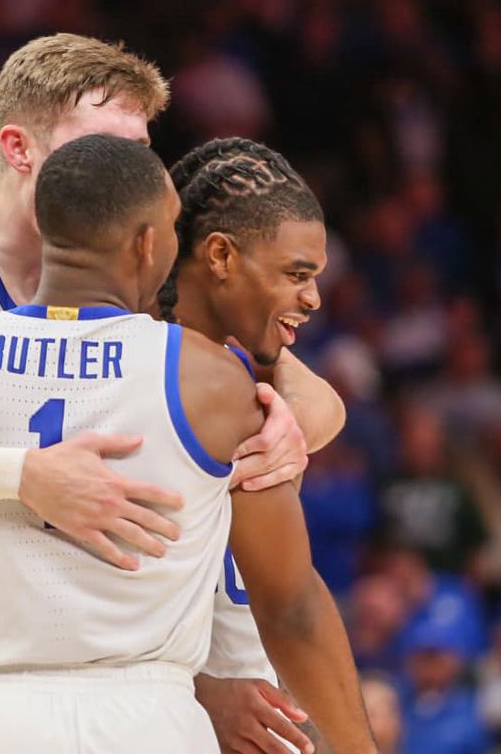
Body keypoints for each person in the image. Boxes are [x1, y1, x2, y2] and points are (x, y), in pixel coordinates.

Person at [0, 34, 340, 753]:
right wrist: (21, 475)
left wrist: (283, 424)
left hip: (29, 671)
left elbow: (313, 397)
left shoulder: (134, 278)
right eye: (107, 144)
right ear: (18, 148)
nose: (128, 169)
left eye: (142, 149)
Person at [157, 137, 341, 753]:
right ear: (219, 256)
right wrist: (194, 689)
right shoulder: (140, 372)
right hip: (152, 712)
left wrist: (297, 423)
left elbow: (327, 405)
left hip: (252, 701)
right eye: (297, 275)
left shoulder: (247, 372)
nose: (314, 298)